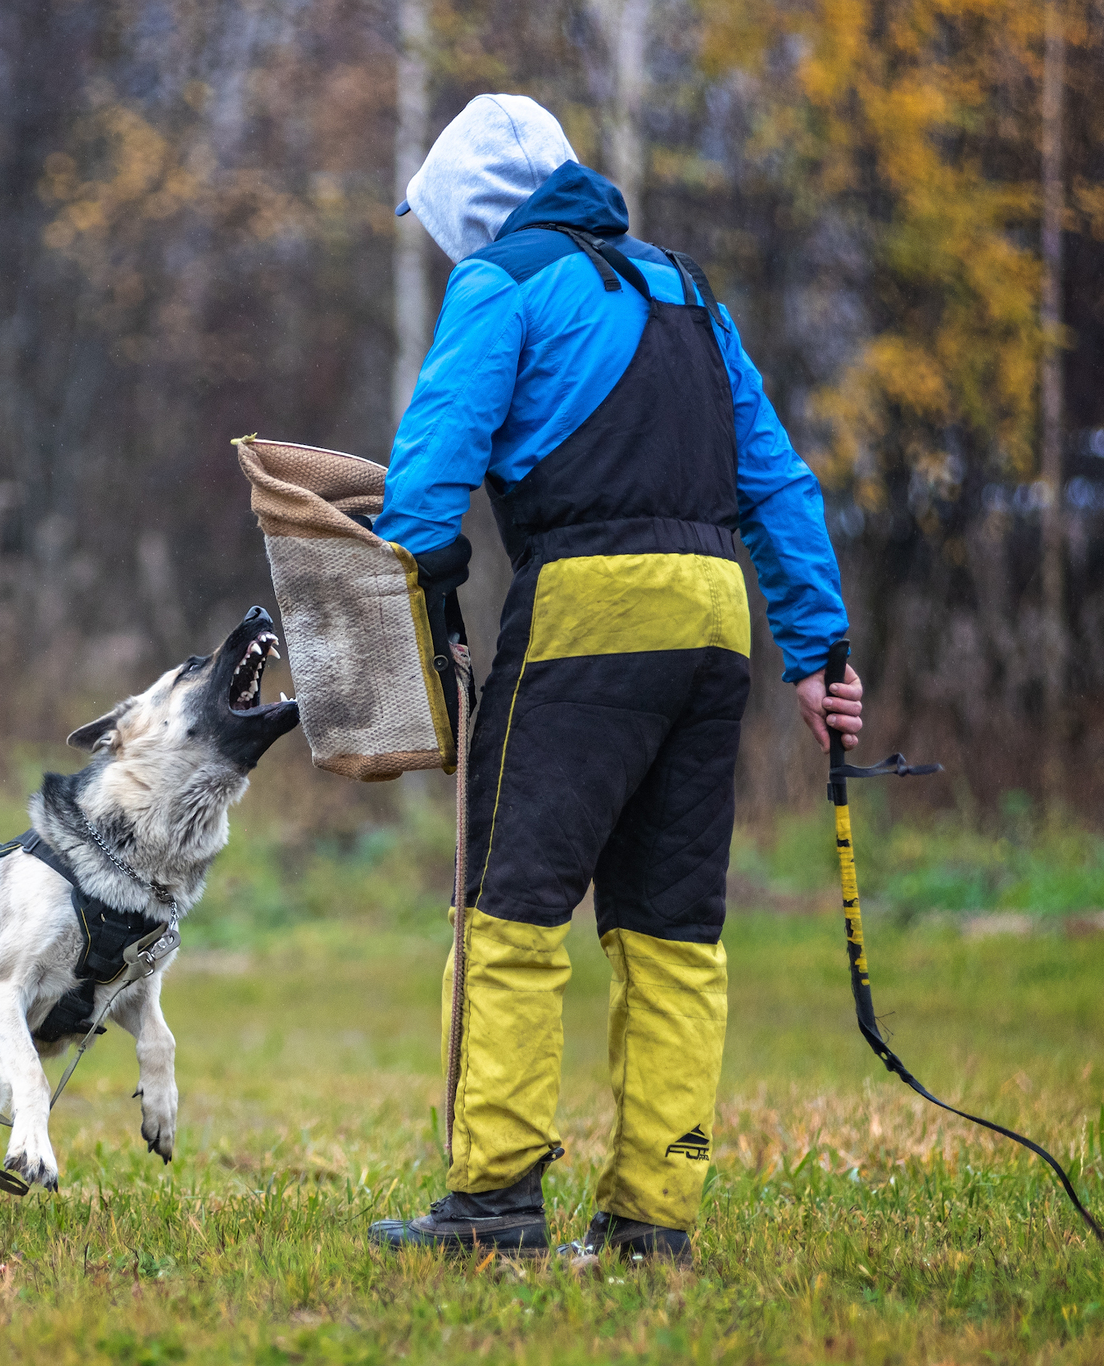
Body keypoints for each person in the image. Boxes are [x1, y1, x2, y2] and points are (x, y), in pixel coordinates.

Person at [365, 95, 863, 1262]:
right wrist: (819, 653)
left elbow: (426, 480)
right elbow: (777, 485)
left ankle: (490, 1207)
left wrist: (415, 588)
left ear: (466, 212)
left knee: (510, 906)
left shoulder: (500, 284)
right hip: (713, 619)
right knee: (670, 927)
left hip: (588, 608)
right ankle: (652, 1223)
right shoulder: (683, 289)